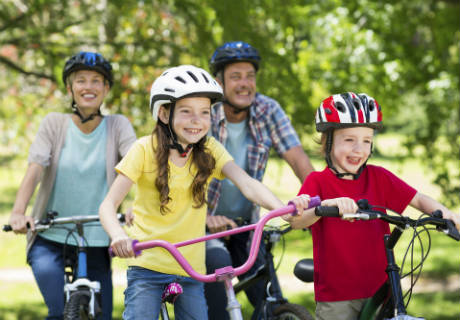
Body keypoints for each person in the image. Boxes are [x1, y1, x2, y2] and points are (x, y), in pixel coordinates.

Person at [98, 65, 299, 320]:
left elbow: (247, 183)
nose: (197, 120)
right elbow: (107, 206)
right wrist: (117, 235)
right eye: (186, 111)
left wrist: (280, 207)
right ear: (163, 113)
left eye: (205, 112)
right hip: (148, 265)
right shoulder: (143, 150)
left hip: (191, 268)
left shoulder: (209, 150)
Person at [284, 92, 460, 320]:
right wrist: (326, 205)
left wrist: (446, 213)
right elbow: (297, 220)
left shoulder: (379, 177)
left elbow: (417, 199)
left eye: (367, 141)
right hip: (338, 295)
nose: (359, 149)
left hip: (381, 289)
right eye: (349, 140)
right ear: (328, 142)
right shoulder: (317, 182)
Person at [8, 51, 137, 320]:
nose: (88, 87)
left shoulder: (118, 126)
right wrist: (19, 212)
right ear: (70, 88)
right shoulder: (54, 124)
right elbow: (35, 168)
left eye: (96, 81)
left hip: (98, 239)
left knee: (101, 314)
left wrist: (140, 205)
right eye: (80, 80)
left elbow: (139, 166)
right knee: (60, 311)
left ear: (106, 88)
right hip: (50, 235)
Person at [205, 40, 315, 319]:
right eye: (235, 77)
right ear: (219, 82)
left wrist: (317, 202)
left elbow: (299, 160)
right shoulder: (203, 113)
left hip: (248, 224)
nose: (245, 84)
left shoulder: (268, 110)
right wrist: (205, 216)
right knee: (216, 301)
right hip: (204, 224)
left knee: (271, 303)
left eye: (250, 76)